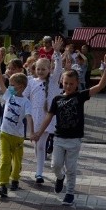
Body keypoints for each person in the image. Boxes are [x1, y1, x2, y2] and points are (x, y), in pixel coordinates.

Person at [31, 54, 106, 206]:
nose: (68, 86)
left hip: (74, 139)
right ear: (62, 82)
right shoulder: (57, 99)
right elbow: (48, 117)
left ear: (76, 84)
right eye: (66, 83)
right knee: (55, 165)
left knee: (71, 168)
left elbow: (100, 86)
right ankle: (59, 178)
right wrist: (38, 133)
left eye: (71, 84)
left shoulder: (80, 96)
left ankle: (69, 193)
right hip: (59, 138)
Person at [22, 36, 64, 184]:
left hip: (47, 118)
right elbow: (24, 96)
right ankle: (40, 167)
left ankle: (39, 173)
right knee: (36, 144)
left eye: (43, 69)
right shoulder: (32, 82)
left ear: (49, 69)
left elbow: (59, 68)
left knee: (40, 145)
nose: (40, 71)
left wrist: (57, 53)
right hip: (34, 118)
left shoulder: (53, 80)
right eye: (38, 69)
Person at [0, 72, 34, 197]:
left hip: (17, 137)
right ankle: (3, 184)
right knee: (5, 159)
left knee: (17, 160)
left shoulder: (26, 102)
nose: (9, 87)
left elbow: (29, 117)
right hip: (5, 133)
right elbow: (0, 80)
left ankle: (15, 179)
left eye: (12, 85)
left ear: (21, 86)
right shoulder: (9, 95)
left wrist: (31, 132)